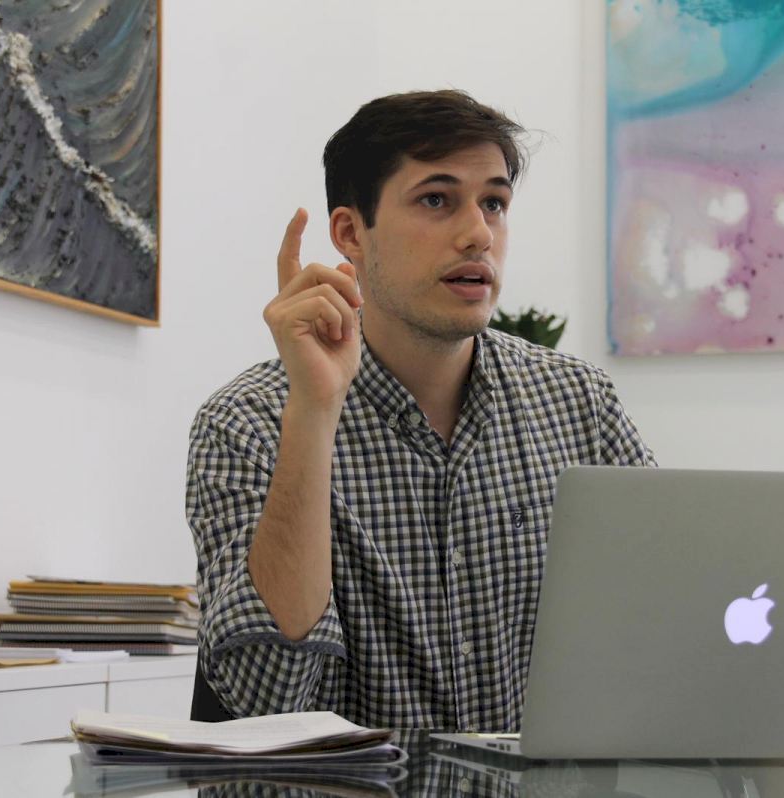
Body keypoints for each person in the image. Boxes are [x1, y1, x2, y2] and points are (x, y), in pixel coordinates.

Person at [186, 89, 655, 731]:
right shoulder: (246, 423)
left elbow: (666, 629)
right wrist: (314, 412)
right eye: (436, 200)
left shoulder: (580, 405)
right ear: (351, 233)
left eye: (494, 203)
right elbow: (265, 703)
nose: (478, 234)